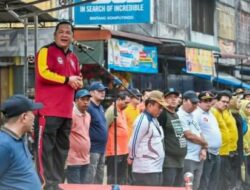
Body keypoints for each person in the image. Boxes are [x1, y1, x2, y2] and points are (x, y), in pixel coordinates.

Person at [34, 20, 83, 189]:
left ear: (72, 37)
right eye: (60, 32)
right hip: (47, 110)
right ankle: (45, 184)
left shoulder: (74, 57)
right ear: (55, 35)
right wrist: (67, 80)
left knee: (61, 151)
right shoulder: (45, 51)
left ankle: (56, 183)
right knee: (45, 150)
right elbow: (42, 73)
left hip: (66, 112)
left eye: (68, 32)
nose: (64, 35)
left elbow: (77, 78)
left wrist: (78, 82)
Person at [0, 94, 43, 190]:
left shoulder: (18, 139)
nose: (34, 117)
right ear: (24, 117)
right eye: (32, 113)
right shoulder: (3, 145)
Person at [128, 90, 166, 186]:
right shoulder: (143, 120)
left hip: (156, 168)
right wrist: (131, 157)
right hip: (145, 170)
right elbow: (133, 142)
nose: (161, 110)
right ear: (149, 105)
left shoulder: (154, 119)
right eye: (159, 107)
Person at [177, 90, 208, 190]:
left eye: (196, 103)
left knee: (196, 186)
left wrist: (204, 148)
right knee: (187, 186)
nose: (195, 105)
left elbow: (200, 132)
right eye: (193, 102)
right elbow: (189, 135)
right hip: (188, 156)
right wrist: (205, 143)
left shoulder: (193, 115)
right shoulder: (179, 115)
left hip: (199, 156)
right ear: (184, 100)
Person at [158, 88, 187, 187]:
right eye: (169, 97)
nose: (173, 99)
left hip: (180, 161)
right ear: (164, 100)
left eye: (175, 97)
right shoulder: (162, 114)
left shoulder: (175, 114)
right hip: (168, 162)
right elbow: (158, 137)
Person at [194, 91, 222, 190]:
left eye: (210, 100)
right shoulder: (196, 114)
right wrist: (203, 148)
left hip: (216, 152)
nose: (208, 103)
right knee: (204, 180)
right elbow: (196, 133)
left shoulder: (210, 113)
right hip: (206, 152)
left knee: (213, 180)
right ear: (199, 102)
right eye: (205, 101)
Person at [66, 89, 91, 184]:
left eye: (88, 100)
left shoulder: (88, 115)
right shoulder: (71, 114)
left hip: (85, 159)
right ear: (76, 100)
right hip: (73, 160)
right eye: (83, 99)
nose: (86, 102)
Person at [85, 81, 108, 184]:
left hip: (102, 147)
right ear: (92, 93)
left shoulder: (101, 107)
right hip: (93, 148)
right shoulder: (88, 107)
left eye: (103, 91)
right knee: (90, 176)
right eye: (99, 91)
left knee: (99, 176)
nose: (103, 93)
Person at [105, 91, 130, 184]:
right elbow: (105, 126)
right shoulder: (112, 110)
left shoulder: (122, 110)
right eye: (126, 102)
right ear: (119, 99)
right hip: (114, 151)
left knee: (121, 178)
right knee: (113, 178)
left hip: (123, 150)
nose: (127, 105)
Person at [211, 91, 233, 190]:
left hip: (225, 151)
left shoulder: (223, 112)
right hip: (217, 152)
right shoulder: (213, 112)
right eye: (223, 101)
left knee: (224, 179)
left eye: (227, 102)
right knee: (218, 180)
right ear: (216, 101)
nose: (225, 104)